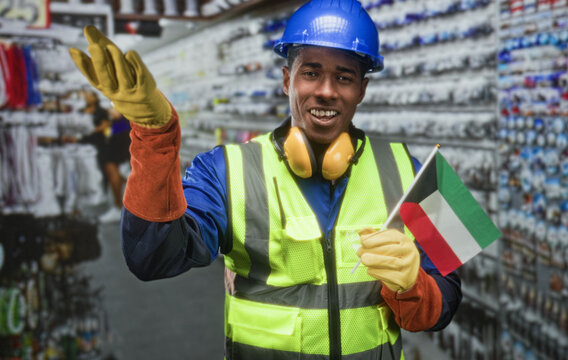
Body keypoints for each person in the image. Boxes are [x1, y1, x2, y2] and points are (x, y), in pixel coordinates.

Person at [68, 0, 462, 358]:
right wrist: (155, 138)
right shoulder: (224, 170)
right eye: (311, 73)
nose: (326, 91)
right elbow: (151, 257)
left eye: (344, 77)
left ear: (362, 89)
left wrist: (415, 287)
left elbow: (449, 300)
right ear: (287, 80)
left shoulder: (415, 170)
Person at [79, 90, 131, 223]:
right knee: (117, 173)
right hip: (118, 141)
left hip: (122, 141)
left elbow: (119, 115)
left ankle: (121, 207)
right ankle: (120, 206)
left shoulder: (121, 105)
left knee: (118, 173)